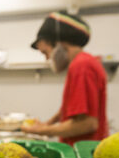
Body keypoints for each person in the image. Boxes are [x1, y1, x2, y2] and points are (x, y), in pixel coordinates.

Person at [22, 11, 108, 145]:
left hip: (82, 150)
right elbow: (70, 108)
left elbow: (87, 124)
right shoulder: (83, 62)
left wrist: (40, 131)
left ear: (57, 43)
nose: (47, 58)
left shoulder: (82, 66)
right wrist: (46, 124)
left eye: (46, 52)